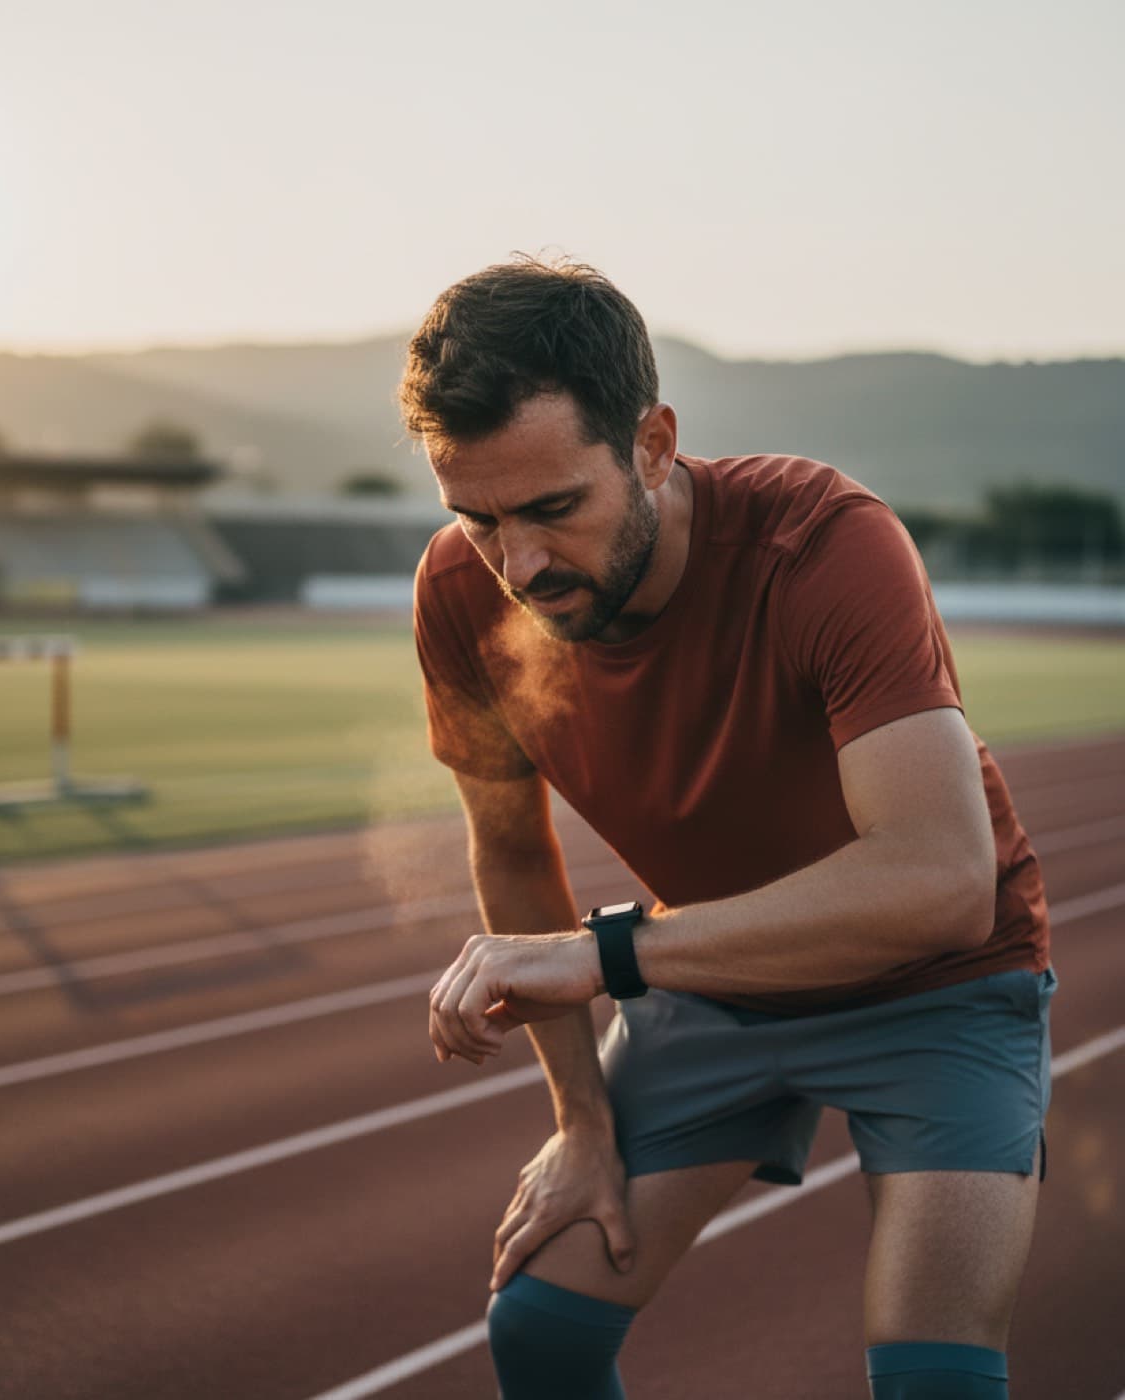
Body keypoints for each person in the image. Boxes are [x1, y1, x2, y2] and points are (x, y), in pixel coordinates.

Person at [401, 255, 1055, 1400]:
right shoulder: (461, 593)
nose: (520, 565)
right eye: (477, 518)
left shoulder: (821, 542)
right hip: (717, 985)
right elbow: (508, 848)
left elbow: (941, 879)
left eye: (555, 508)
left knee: (931, 1380)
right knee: (538, 1332)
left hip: (940, 982)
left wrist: (602, 956)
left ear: (651, 444)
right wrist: (581, 1122)